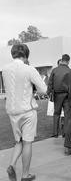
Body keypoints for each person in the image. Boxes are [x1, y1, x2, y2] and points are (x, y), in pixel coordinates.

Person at [2, 44, 47, 181]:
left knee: (18, 141)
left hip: (12, 111)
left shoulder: (5, 70)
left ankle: (12, 165)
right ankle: (25, 174)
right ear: (26, 55)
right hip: (27, 111)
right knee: (27, 142)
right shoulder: (29, 69)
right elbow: (43, 90)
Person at [47, 54, 71, 138]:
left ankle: (55, 133)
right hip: (67, 95)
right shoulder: (69, 70)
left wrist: (49, 92)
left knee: (56, 113)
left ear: (62, 60)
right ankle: (65, 132)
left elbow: (50, 82)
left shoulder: (55, 70)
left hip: (57, 95)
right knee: (67, 114)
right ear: (68, 61)